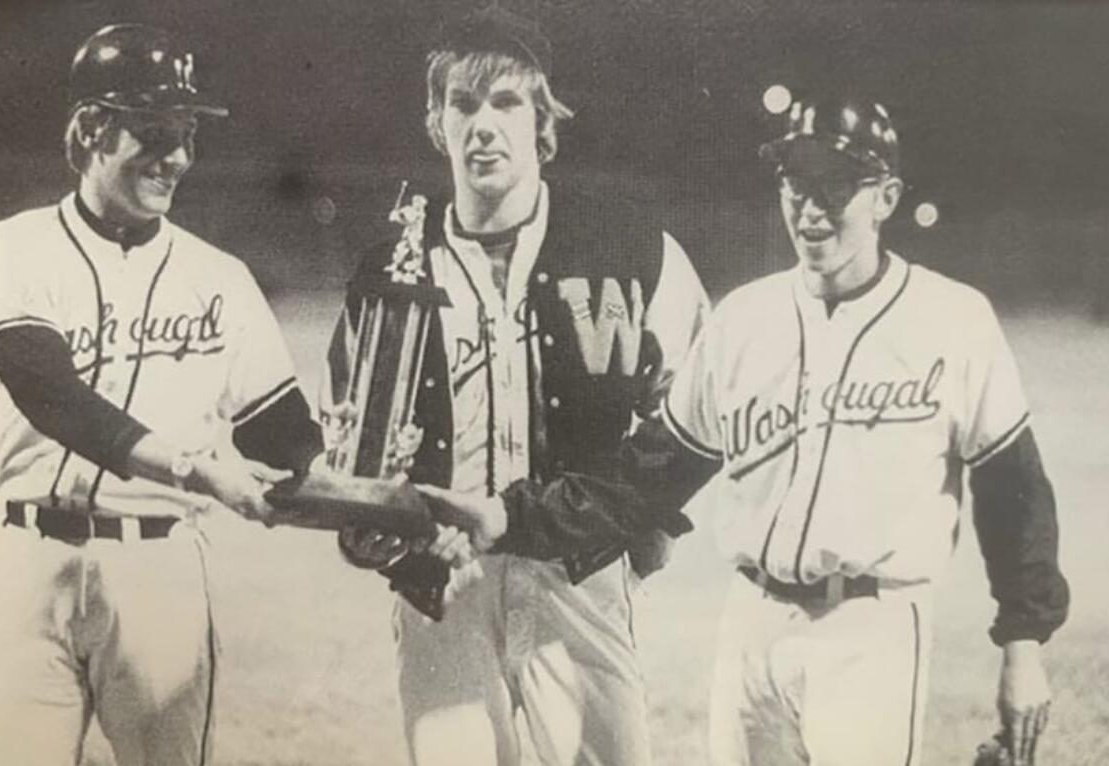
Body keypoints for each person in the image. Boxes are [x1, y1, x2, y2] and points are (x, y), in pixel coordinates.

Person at [425, 96, 1070, 766]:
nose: (810, 207)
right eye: (796, 182)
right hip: (751, 624)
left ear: (886, 197)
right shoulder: (744, 321)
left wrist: (1023, 651)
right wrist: (508, 516)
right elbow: (642, 479)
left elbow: (1014, 494)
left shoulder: (953, 320)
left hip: (873, 629)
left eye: (836, 185)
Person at [321, 8, 709, 765]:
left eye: (505, 102)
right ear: (437, 123)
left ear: (544, 123)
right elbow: (357, 444)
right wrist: (364, 527)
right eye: (462, 104)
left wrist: (643, 531)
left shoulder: (634, 249)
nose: (483, 126)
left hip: (579, 575)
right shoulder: (389, 269)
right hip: (442, 585)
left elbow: (686, 420)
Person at [0, 24, 322, 766]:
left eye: (187, 134)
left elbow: (285, 443)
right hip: (32, 566)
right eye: (156, 132)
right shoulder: (6, 249)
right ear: (91, 129)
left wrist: (358, 489)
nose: (178, 157)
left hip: (160, 577)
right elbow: (50, 394)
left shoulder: (220, 278)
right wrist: (196, 470)